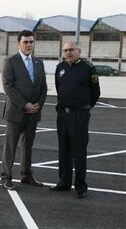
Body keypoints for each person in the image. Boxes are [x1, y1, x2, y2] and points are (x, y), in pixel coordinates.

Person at [50, 42, 100, 198]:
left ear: (78, 51)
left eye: (71, 50)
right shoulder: (60, 67)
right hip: (63, 115)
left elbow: (96, 92)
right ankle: (64, 182)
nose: (68, 52)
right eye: (65, 50)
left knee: (79, 151)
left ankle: (80, 186)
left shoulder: (88, 68)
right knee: (64, 150)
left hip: (79, 115)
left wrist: (84, 108)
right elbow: (59, 88)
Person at [0, 30, 47, 190]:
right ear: (19, 43)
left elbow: (43, 88)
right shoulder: (10, 62)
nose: (29, 45)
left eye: (31, 42)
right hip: (16, 112)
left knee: (28, 146)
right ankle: (6, 176)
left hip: (33, 113)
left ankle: (26, 175)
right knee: (10, 146)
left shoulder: (39, 63)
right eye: (25, 42)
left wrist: (38, 104)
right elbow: (8, 87)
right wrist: (24, 104)